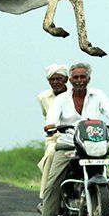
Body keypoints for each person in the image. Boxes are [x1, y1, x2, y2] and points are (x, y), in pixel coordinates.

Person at [32, 62, 109, 216]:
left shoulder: (98, 95)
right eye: (76, 77)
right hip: (68, 144)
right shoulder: (61, 99)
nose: (79, 80)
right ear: (70, 80)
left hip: (94, 145)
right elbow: (52, 115)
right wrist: (51, 125)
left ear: (89, 79)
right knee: (52, 184)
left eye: (82, 77)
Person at [37, 64, 69, 207]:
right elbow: (46, 116)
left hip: (76, 137)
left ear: (66, 80)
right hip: (55, 138)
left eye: (59, 79)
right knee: (50, 154)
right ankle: (46, 197)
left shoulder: (75, 94)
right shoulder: (43, 97)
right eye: (52, 79)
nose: (55, 82)